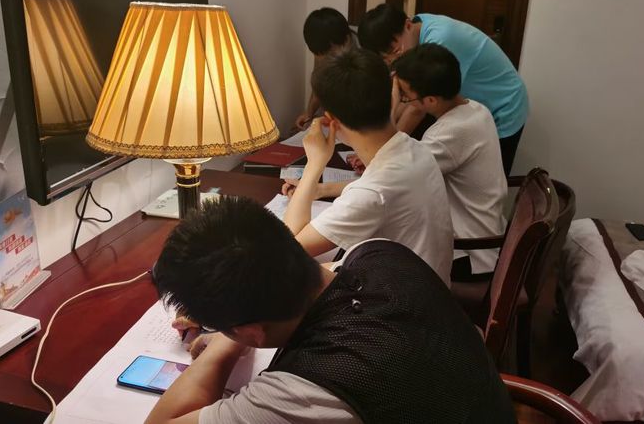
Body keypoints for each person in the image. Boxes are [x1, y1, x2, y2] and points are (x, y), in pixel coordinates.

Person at [146, 197, 517, 424]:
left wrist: (225, 346)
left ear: (252, 331)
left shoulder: (306, 392)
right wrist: (235, 326)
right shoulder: (378, 251)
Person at [282, 48, 453, 285]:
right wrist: (320, 189)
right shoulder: (416, 149)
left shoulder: (372, 192)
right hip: (428, 285)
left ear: (331, 120)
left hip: (405, 300)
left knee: (287, 278)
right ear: (391, 97)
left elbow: (288, 249)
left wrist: (315, 163)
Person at [358, 3, 529, 175]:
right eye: (386, 59)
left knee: (486, 171)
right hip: (475, 108)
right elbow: (410, 98)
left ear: (408, 25)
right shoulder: (417, 28)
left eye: (396, 51)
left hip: (505, 105)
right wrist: (378, 145)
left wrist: (381, 153)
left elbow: (415, 108)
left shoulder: (440, 40)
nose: (394, 60)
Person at [391, 43, 507, 275]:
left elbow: (392, 179)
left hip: (470, 253)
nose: (403, 99)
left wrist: (324, 190)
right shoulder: (476, 109)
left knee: (381, 255)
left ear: (431, 101)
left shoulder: (450, 132)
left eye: (405, 95)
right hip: (489, 234)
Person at [295, 7, 357, 130]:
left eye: (329, 54)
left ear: (346, 41)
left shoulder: (366, 51)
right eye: (318, 55)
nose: (325, 60)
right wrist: (309, 114)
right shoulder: (323, 49)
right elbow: (319, 83)